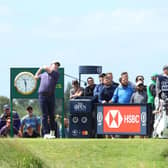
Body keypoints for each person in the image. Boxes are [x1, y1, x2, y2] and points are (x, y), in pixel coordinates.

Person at [35, 60, 60, 139]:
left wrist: (43, 67)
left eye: (57, 66)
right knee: (45, 115)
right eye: (55, 65)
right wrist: (40, 69)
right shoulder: (43, 74)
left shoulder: (56, 74)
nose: (56, 66)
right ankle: (46, 133)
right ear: (51, 65)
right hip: (42, 96)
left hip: (51, 96)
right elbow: (36, 77)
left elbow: (46, 68)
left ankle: (52, 133)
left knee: (52, 116)